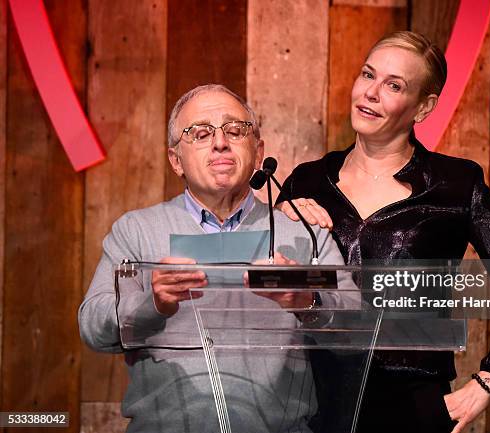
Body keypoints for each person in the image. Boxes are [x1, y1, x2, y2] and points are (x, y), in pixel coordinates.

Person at [277, 31, 490, 433]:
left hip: (410, 407)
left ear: (423, 108)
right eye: (367, 75)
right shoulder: (307, 181)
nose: (371, 92)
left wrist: (489, 380)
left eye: (393, 85)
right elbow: (266, 287)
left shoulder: (456, 184)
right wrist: (274, 223)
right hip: (311, 400)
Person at [78, 84, 354, 433]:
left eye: (235, 130)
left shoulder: (301, 232)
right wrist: (152, 302)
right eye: (200, 133)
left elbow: (354, 323)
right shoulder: (136, 230)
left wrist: (307, 301)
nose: (220, 142)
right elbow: (92, 328)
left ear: (258, 152)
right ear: (175, 160)